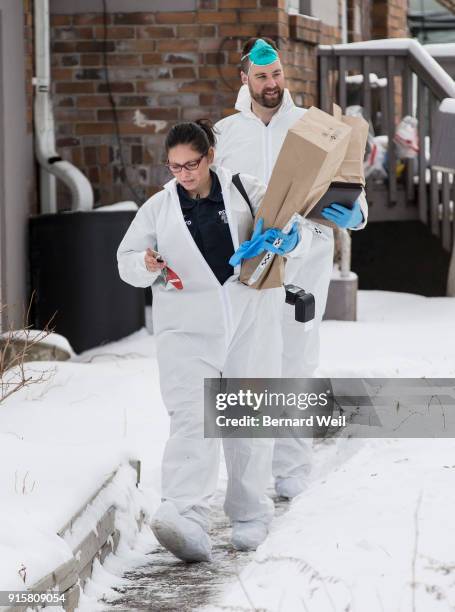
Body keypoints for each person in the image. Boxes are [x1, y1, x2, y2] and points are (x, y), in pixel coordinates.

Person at [117, 120, 311, 562]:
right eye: (174, 167)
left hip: (249, 320)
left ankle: (250, 516)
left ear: (210, 158)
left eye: (191, 165)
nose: (183, 175)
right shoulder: (157, 208)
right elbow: (126, 261)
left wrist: (289, 239)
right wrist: (146, 263)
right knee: (191, 417)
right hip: (186, 329)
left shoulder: (245, 188)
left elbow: (290, 225)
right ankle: (186, 517)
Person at [214, 38, 368, 500]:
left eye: (277, 74)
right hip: (249, 262)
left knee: (296, 358)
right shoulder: (223, 134)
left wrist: (355, 216)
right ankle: (248, 474)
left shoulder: (312, 127)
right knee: (244, 364)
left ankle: (292, 469)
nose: (272, 84)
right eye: (262, 76)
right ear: (245, 80)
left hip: (307, 259)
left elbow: (353, 187)